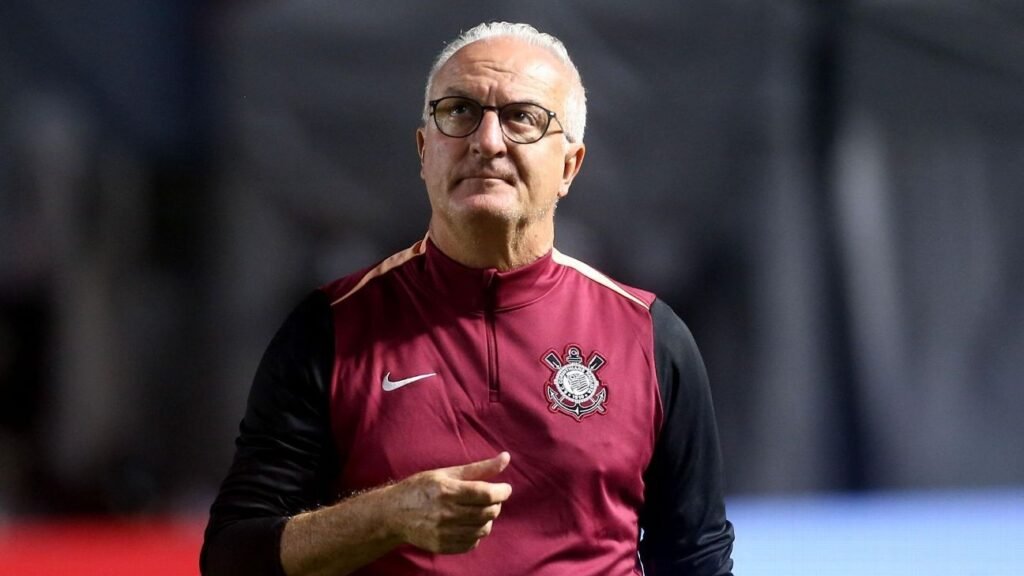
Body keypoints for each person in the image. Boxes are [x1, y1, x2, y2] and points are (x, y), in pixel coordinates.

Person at [201, 21, 734, 576]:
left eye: (522, 117)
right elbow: (232, 558)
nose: (487, 142)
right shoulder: (331, 327)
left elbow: (696, 559)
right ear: (424, 150)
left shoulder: (649, 335)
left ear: (569, 166)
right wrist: (386, 515)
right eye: (459, 112)